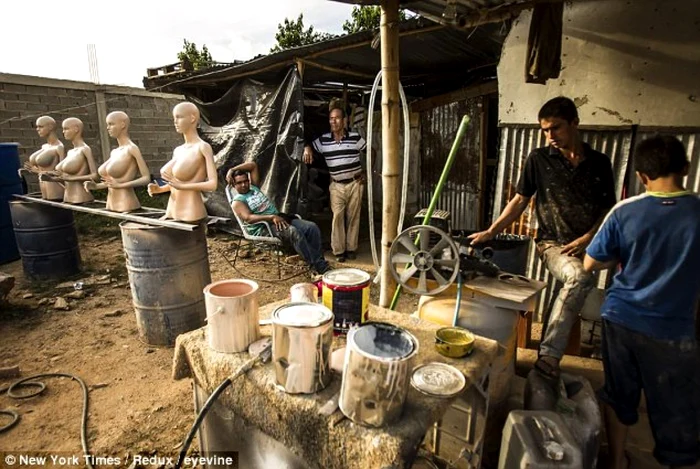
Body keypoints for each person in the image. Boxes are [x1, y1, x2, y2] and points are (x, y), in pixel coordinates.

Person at [468, 96, 616, 377]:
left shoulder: (600, 162)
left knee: (574, 291)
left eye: (556, 128)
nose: (550, 136)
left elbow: (608, 209)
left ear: (575, 123)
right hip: (553, 245)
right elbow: (520, 200)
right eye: (545, 130)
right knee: (578, 278)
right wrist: (491, 231)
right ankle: (548, 359)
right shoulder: (539, 158)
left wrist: (589, 238)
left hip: (591, 245)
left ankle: (566, 354)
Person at [584, 135, 700, 469]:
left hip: (621, 320)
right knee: (675, 405)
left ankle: (618, 461)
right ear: (686, 169)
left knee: (620, 396)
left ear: (641, 176)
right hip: (673, 330)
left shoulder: (626, 211)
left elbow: (591, 263)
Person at [227, 161, 331, 275]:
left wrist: (232, 169)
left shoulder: (254, 188)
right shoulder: (238, 201)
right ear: (233, 184)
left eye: (245, 181)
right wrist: (271, 217)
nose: (244, 185)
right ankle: (318, 268)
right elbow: (249, 218)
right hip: (264, 227)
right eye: (239, 183)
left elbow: (253, 165)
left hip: (277, 219)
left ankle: (318, 263)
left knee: (312, 227)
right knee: (293, 233)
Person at [304, 105, 366, 263]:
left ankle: (351, 248)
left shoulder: (355, 137)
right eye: (331, 118)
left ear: (344, 121)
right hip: (336, 184)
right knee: (337, 216)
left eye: (337, 118)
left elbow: (371, 150)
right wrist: (307, 148)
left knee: (354, 217)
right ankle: (339, 250)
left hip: (354, 183)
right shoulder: (324, 140)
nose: (334, 121)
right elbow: (310, 145)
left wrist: (366, 171)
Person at [147, 102, 217, 223]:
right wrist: (160, 189)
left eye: (179, 117)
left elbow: (212, 184)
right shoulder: (178, 150)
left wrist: (183, 187)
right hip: (172, 210)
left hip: (192, 211)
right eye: (174, 118)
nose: (175, 121)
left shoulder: (203, 147)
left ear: (192, 118)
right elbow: (177, 182)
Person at [84, 111, 151, 212]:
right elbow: (112, 182)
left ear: (122, 125)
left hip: (127, 202)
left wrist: (120, 185)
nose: (108, 128)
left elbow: (146, 178)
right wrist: (96, 186)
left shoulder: (132, 149)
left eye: (111, 124)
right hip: (111, 203)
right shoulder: (115, 151)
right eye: (107, 125)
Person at [42, 117, 98, 204]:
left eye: (66, 129)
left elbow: (94, 175)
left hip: (81, 196)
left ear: (76, 129)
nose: (63, 132)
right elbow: (65, 177)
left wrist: (73, 178)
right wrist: (50, 178)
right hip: (67, 197)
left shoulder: (85, 149)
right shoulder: (70, 152)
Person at [20, 115, 65, 200]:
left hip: (55, 190)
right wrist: (29, 169)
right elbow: (39, 169)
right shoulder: (44, 146)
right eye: (37, 127)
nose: (37, 129)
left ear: (50, 127)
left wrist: (38, 171)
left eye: (40, 126)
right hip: (44, 189)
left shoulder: (59, 147)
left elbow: (61, 173)